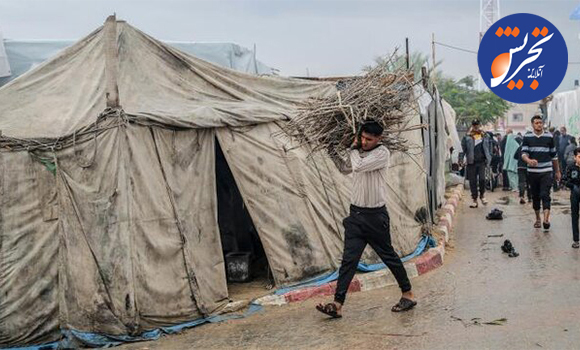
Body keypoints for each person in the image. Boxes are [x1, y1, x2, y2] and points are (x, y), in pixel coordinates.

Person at [317, 119, 415, 318]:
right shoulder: (358, 154)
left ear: (379, 138)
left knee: (388, 256)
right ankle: (337, 304)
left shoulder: (382, 153)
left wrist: (352, 148)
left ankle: (408, 294)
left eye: (369, 139)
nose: (364, 142)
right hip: (355, 216)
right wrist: (332, 150)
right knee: (348, 261)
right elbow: (346, 168)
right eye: (362, 138)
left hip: (375, 217)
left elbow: (359, 166)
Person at [521, 116, 561, 230]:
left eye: (540, 122)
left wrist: (557, 171)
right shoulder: (527, 137)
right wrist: (529, 161)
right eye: (536, 123)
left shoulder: (549, 136)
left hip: (546, 171)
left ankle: (546, 219)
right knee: (535, 196)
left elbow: (554, 156)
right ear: (532, 124)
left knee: (545, 194)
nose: (539, 124)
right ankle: (538, 218)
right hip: (532, 172)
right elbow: (523, 153)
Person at [460, 119, 492, 208]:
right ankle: (474, 199)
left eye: (477, 124)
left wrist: (489, 157)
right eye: (474, 125)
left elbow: (489, 148)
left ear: (480, 125)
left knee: (482, 179)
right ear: (472, 125)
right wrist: (461, 159)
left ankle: (482, 195)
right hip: (471, 162)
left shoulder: (485, 136)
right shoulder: (467, 137)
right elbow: (462, 150)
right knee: (472, 181)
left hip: (482, 162)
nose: (476, 126)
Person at [563, 147, 580, 248]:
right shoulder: (570, 167)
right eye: (579, 157)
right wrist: (572, 186)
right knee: (574, 216)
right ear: (575, 157)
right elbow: (564, 180)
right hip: (575, 194)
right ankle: (576, 240)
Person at [514, 139, 532, 204]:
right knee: (529, 182)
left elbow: (515, 156)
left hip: (520, 167)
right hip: (529, 167)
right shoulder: (531, 147)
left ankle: (522, 196)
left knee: (521, 182)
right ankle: (530, 198)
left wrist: (520, 158)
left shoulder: (520, 147)